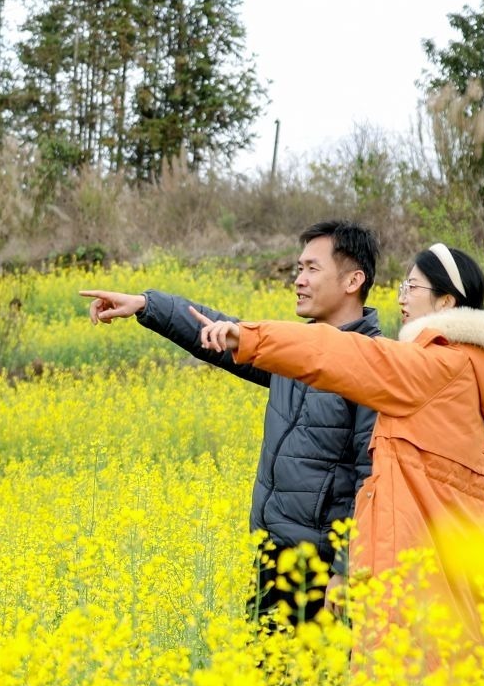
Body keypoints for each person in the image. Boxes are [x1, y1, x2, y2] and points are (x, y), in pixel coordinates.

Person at [184, 243, 484, 666]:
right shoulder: (472, 375)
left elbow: (342, 354)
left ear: (446, 302)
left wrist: (251, 337)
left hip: (413, 582)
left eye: (412, 287)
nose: (401, 297)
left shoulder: (436, 368)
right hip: (444, 579)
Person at [80, 221, 382, 625]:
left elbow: (371, 478)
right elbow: (221, 334)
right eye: (298, 269)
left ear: (353, 281)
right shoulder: (294, 351)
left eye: (312, 268)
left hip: (324, 571)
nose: (298, 280)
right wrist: (146, 306)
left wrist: (346, 568)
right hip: (273, 556)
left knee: (316, 668)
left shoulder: (373, 365)